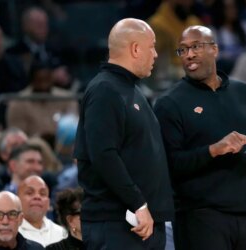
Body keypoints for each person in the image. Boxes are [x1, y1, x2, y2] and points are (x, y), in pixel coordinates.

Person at [154, 25, 246, 250]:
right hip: (199, 216)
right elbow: (169, 165)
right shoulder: (169, 103)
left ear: (215, 49)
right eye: (182, 50)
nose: (189, 54)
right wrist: (213, 150)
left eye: (196, 46)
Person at [73, 18, 174, 250]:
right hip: (118, 224)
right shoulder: (104, 90)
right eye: (152, 46)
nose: (156, 54)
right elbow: (104, 155)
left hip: (142, 223)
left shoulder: (133, 91)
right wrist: (138, 204)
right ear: (136, 49)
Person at [17, 175, 67, 247]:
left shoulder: (61, 233)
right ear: (17, 200)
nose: (37, 197)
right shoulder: (12, 233)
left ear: (48, 203)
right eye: (30, 193)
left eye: (42, 194)